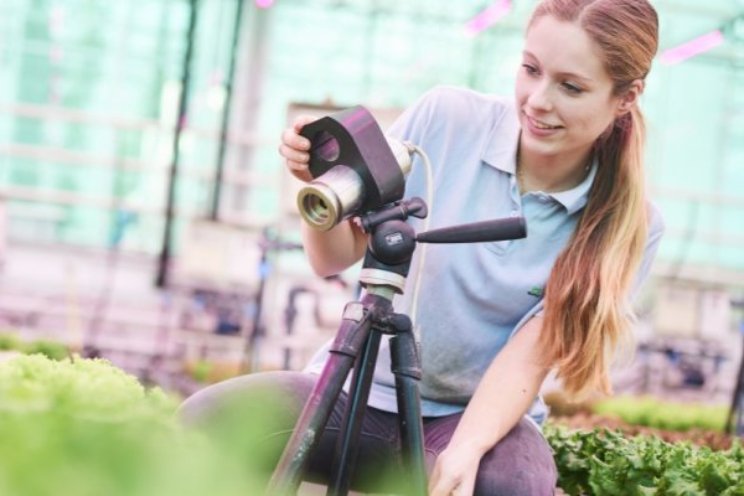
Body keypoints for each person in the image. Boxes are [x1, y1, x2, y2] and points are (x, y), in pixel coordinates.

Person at [179, 0, 664, 494]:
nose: (538, 100)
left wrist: (468, 448)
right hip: (356, 394)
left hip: (469, 420)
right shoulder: (447, 119)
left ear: (626, 97)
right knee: (207, 420)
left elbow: (532, 355)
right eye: (530, 69)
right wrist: (316, 188)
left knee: (508, 484)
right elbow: (332, 257)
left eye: (571, 87)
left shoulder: (628, 225)